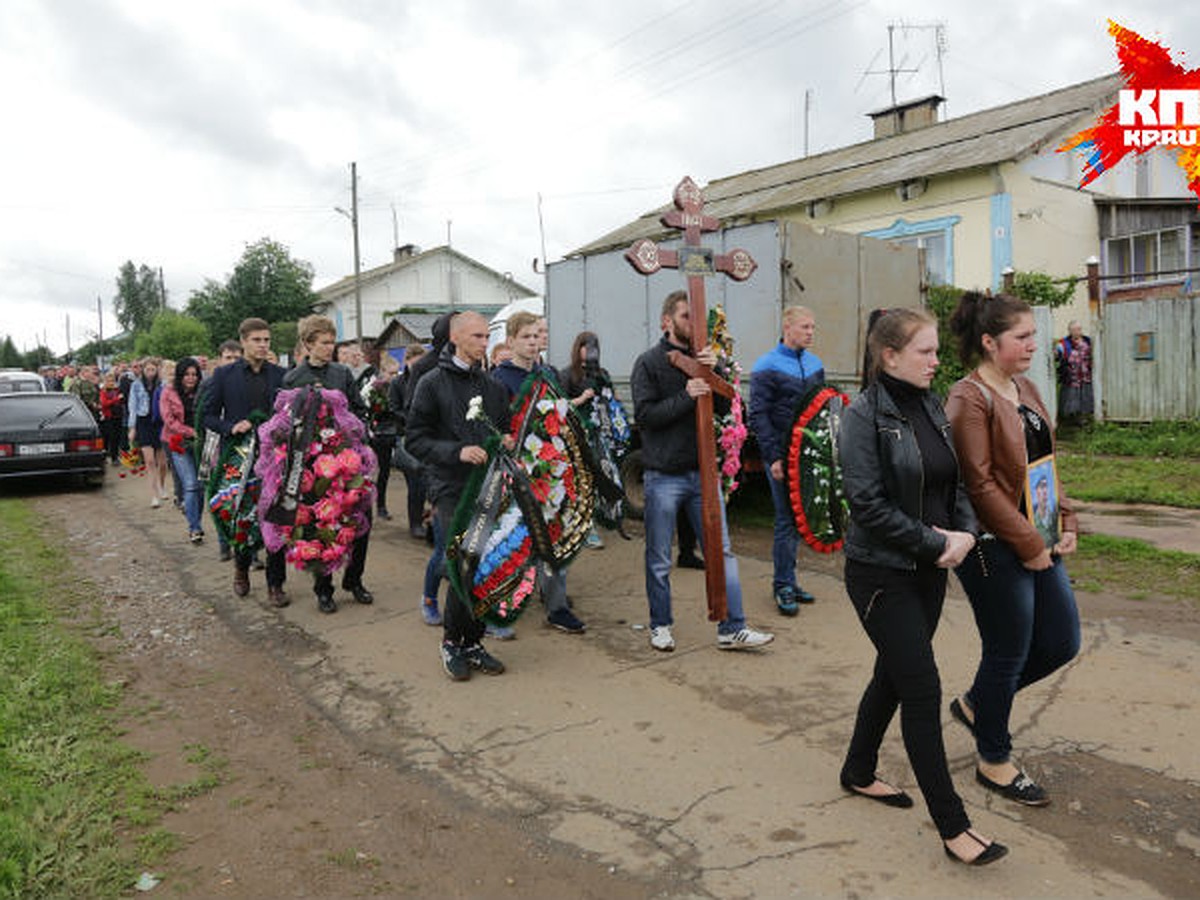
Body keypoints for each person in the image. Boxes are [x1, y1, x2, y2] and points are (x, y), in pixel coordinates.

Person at [838, 308, 1006, 866]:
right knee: (921, 688)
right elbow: (867, 505)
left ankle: (858, 770)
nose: (938, 361)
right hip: (881, 574)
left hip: (929, 572)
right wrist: (938, 544)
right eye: (926, 352)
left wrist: (963, 533)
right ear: (890, 356)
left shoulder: (931, 406)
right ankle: (954, 828)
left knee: (893, 674)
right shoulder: (863, 416)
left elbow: (954, 481)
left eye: (936, 351)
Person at [946, 291, 1081, 808]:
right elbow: (979, 486)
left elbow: (1044, 460)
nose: (1032, 345)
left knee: (1062, 641)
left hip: (1039, 538)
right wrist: (1027, 544)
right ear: (988, 341)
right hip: (992, 547)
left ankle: (979, 704)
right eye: (1021, 337)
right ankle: (994, 760)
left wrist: (1065, 518)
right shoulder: (968, 398)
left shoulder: (1025, 386)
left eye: (1032, 335)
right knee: (1008, 651)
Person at [631, 291, 774, 653]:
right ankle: (660, 625)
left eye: (697, 318)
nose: (693, 324)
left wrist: (715, 372)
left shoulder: (707, 359)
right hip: (663, 474)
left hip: (703, 474)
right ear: (667, 321)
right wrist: (686, 394)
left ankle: (732, 628)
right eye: (685, 316)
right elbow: (645, 417)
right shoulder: (648, 363)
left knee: (721, 552)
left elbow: (727, 405)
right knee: (660, 557)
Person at [406, 311, 511, 681]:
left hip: (489, 487)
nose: (485, 343)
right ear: (455, 337)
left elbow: (502, 429)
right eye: (477, 336)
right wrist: (457, 452)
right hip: (450, 488)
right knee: (463, 563)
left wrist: (505, 440)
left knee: (484, 566)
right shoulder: (431, 383)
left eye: (487, 336)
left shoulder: (494, 386)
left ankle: (473, 641)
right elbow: (414, 440)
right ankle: (452, 642)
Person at [492, 311, 587, 635]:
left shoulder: (548, 374)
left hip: (549, 472)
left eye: (537, 336)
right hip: (516, 473)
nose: (533, 342)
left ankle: (557, 607)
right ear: (511, 341)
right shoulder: (499, 379)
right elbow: (497, 428)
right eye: (526, 337)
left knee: (553, 539)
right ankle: (504, 609)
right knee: (514, 542)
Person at [284, 315, 377, 614]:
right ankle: (323, 589)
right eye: (324, 342)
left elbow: (358, 410)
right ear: (308, 344)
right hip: (314, 469)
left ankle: (354, 579)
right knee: (319, 526)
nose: (330, 347)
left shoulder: (342, 374)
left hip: (346, 462)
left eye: (332, 341)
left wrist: (353, 433)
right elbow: (287, 423)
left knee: (361, 520)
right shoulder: (292, 379)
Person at [202, 319, 289, 607]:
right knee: (243, 516)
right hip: (239, 458)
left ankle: (275, 584)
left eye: (266, 339)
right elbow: (207, 415)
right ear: (243, 341)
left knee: (277, 518)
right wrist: (230, 427)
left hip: (275, 458)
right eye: (257, 340)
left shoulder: (280, 375)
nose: (263, 345)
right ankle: (241, 568)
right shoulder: (224, 375)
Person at [749, 305, 824, 615]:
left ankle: (789, 580)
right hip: (780, 456)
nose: (810, 333)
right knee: (785, 520)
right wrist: (773, 457)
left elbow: (821, 410)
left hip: (807, 456)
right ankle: (782, 585)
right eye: (805, 327)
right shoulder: (766, 365)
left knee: (799, 520)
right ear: (787, 328)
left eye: (812, 327)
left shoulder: (815, 363)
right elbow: (759, 415)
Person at [160, 356, 206, 545]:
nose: (191, 378)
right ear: (180, 375)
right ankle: (194, 528)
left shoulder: (203, 391)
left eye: (194, 374)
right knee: (190, 484)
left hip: (200, 443)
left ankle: (197, 520)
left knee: (201, 486)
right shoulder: (168, 393)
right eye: (187, 374)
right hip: (177, 442)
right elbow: (169, 421)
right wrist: (190, 431)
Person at [391, 343, 430, 543]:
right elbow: (394, 408)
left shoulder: (429, 380)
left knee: (427, 483)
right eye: (414, 364)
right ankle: (415, 523)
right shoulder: (398, 383)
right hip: (407, 436)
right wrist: (411, 419)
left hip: (427, 436)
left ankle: (426, 519)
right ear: (406, 362)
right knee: (415, 483)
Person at [127, 358, 167, 508]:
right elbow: (133, 406)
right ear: (143, 370)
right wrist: (132, 428)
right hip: (143, 422)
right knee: (150, 462)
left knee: (162, 463)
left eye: (153, 369)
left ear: (157, 370)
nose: (150, 373)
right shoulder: (136, 385)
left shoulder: (162, 384)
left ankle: (162, 486)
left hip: (159, 423)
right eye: (147, 369)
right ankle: (154, 496)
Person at [1054, 320, 1094, 427]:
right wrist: (1056, 354)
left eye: (1078, 329)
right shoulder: (1063, 344)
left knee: (1086, 397)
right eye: (1074, 330)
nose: (1077, 332)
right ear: (1070, 331)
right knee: (1070, 398)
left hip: (1086, 376)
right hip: (1071, 377)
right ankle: (1070, 419)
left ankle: (1084, 418)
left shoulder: (1088, 341)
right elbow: (1057, 356)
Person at [98, 372, 124, 464]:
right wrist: (116, 399)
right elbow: (104, 404)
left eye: (112, 381)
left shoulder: (117, 390)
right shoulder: (103, 391)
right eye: (109, 381)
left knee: (117, 437)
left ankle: (115, 456)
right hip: (109, 417)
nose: (111, 383)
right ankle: (108, 457)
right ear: (105, 381)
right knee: (109, 437)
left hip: (118, 416)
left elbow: (122, 401)